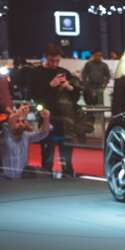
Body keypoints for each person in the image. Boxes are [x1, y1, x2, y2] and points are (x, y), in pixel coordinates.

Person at [35, 44, 86, 177]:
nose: (55, 64)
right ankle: (46, 176)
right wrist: (50, 85)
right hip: (47, 118)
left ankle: (68, 176)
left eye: (57, 60)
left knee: (67, 155)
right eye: (52, 60)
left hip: (64, 120)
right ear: (45, 57)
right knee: (47, 154)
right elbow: (35, 96)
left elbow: (75, 97)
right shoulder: (36, 73)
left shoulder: (65, 72)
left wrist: (69, 87)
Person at [0, 107, 49, 180]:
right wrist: (17, 114)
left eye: (23, 121)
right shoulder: (2, 136)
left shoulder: (26, 136)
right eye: (17, 121)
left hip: (21, 180)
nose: (21, 124)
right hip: (4, 180)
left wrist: (46, 117)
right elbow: (7, 130)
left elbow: (43, 133)